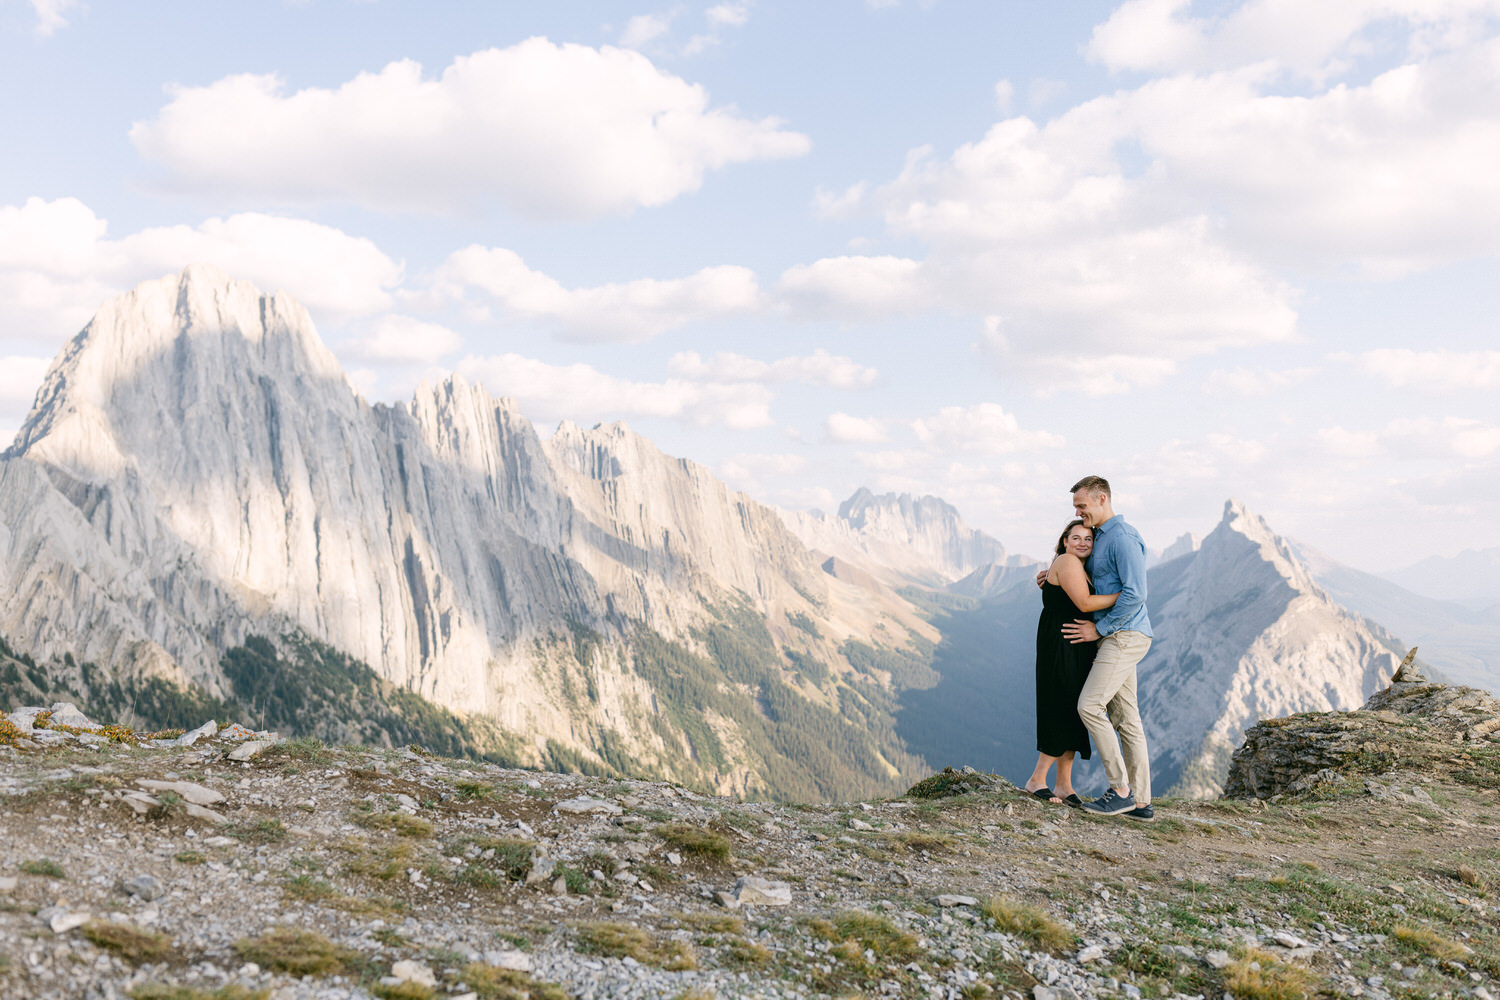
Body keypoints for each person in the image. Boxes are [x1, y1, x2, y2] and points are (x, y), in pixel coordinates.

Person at [1060, 475, 1154, 820]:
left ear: (1102, 499)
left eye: (1082, 506)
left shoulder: (1123, 538)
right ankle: (1141, 803)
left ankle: (1120, 791)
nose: (1078, 512)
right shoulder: (1101, 537)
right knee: (1127, 720)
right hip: (1120, 634)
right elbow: (1093, 574)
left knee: (1089, 706)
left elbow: (1136, 593)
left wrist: (1100, 628)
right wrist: (1055, 573)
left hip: (1123, 635)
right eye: (1076, 508)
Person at [1024, 519, 1117, 806]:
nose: (1082, 542)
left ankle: (1064, 785)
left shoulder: (1077, 566)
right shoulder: (1066, 561)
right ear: (1065, 541)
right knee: (1061, 706)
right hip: (1062, 644)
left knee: (1074, 710)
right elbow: (1085, 604)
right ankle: (1037, 779)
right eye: (1075, 537)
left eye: (1088, 539)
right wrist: (1126, 595)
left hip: (1076, 646)